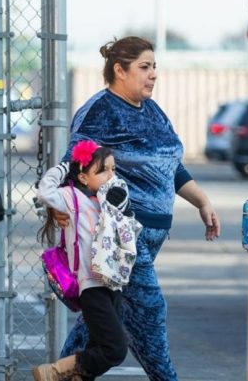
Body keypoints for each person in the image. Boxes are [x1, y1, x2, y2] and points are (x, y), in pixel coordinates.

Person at [56, 36, 221, 380]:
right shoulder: (99, 111)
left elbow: (171, 166)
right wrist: (63, 209)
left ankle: (59, 372)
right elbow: (74, 167)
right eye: (144, 67)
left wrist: (202, 201)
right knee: (149, 311)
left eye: (154, 67)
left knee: (100, 320)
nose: (153, 75)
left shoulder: (153, 111)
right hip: (121, 235)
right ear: (120, 70)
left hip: (151, 235)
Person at [34, 140, 139, 381]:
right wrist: (64, 166)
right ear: (83, 178)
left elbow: (130, 237)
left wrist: (123, 211)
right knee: (116, 348)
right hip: (92, 287)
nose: (110, 175)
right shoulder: (72, 200)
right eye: (102, 171)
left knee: (99, 347)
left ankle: (75, 375)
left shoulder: (109, 201)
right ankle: (56, 370)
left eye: (113, 169)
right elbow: (45, 191)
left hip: (113, 284)